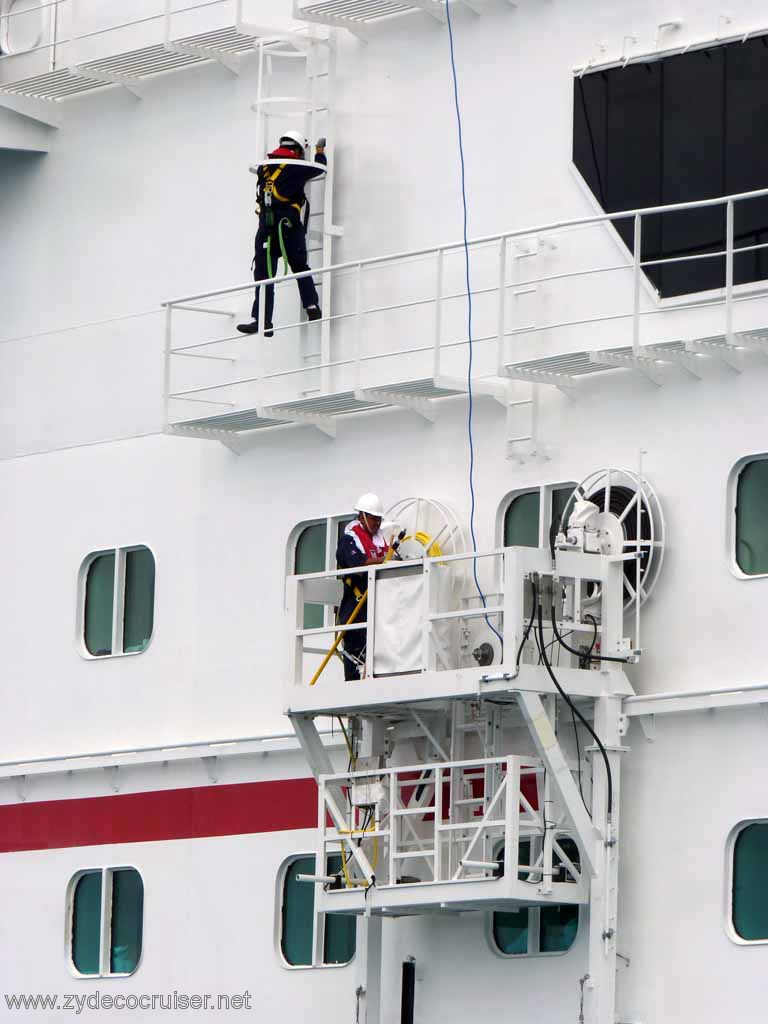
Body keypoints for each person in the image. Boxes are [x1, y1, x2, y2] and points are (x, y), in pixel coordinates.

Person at [237, 130, 327, 338]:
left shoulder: (265, 169)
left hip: (266, 232)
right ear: (297, 149)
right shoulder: (297, 168)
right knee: (299, 267)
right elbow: (318, 169)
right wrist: (320, 152)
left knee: (263, 277)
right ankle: (312, 306)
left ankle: (262, 321)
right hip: (288, 230)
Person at [336, 493, 391, 681]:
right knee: (353, 651)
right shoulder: (349, 540)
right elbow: (356, 565)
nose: (376, 523)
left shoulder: (381, 539)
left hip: (379, 607)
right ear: (362, 517)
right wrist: (385, 561)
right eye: (373, 519)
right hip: (356, 607)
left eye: (379, 519)